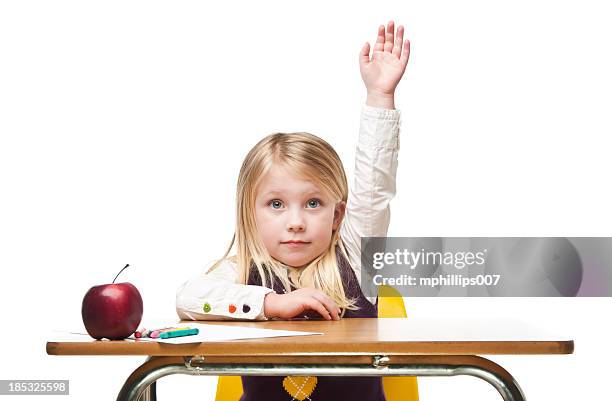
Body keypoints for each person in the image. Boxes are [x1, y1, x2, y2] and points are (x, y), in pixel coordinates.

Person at [176, 20, 410, 401]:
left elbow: (374, 186)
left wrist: (380, 96)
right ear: (250, 214)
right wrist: (270, 304)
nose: (296, 222)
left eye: (313, 204)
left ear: (338, 216)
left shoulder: (355, 257)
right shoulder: (242, 272)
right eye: (276, 205)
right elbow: (188, 298)